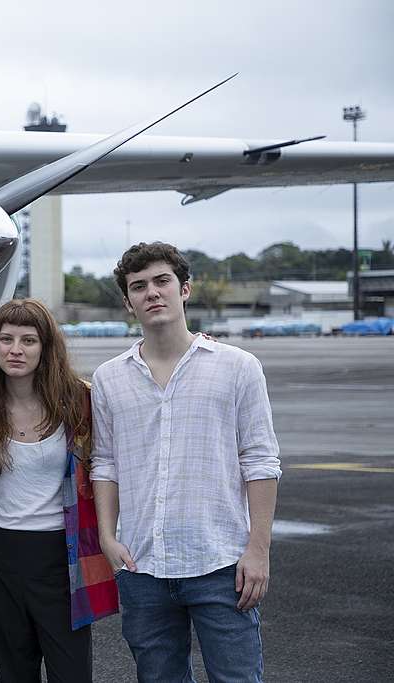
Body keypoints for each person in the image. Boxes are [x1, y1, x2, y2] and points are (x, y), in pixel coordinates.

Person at [91, 242, 281, 683]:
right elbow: (105, 463)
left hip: (220, 563)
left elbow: (261, 461)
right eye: (139, 286)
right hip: (142, 567)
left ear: (185, 290)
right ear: (127, 301)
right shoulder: (109, 378)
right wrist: (106, 536)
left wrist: (259, 550)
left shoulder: (238, 367)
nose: (152, 293)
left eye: (162, 282)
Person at [0, 298, 118, 683]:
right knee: (14, 673)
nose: (16, 350)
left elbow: (111, 462)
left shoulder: (80, 402)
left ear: (46, 347)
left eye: (29, 340)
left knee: (71, 673)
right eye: (7, 339)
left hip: (60, 557)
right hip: (1, 557)